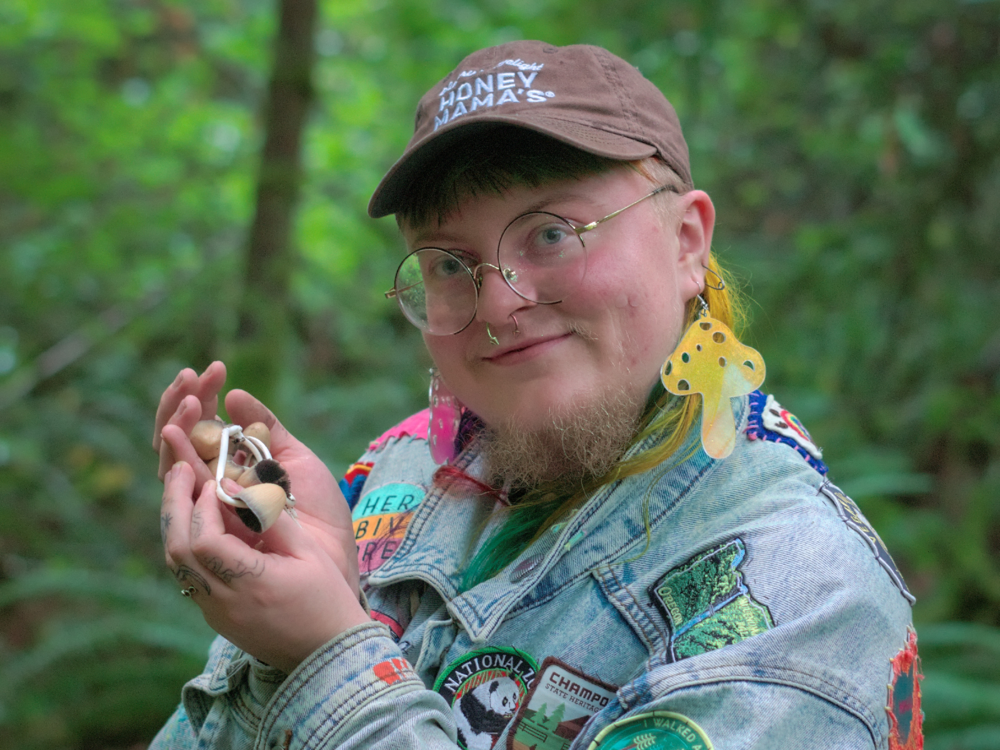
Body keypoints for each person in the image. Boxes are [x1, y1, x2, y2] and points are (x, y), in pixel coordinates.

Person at [150, 40, 922, 750]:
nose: (498, 304)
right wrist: (276, 591)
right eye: (449, 265)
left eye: (552, 233)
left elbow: (327, 663)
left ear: (687, 243)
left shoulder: (803, 594)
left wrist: (324, 657)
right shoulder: (391, 474)